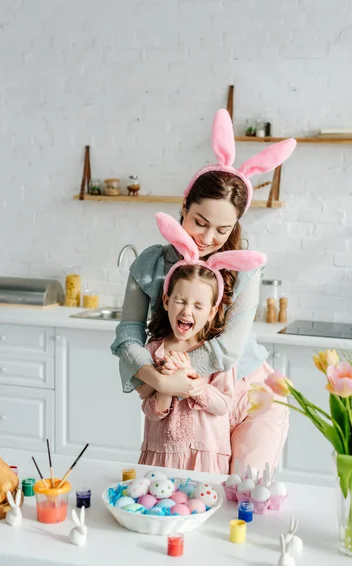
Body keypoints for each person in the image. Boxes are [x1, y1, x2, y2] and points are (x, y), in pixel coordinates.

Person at [111, 109, 296, 473]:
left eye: (222, 230)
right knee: (184, 491)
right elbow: (127, 337)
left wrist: (164, 377)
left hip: (248, 396)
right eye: (200, 222)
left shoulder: (243, 266)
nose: (208, 238)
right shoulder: (150, 264)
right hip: (189, 398)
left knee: (245, 487)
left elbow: (226, 350)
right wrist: (162, 380)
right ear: (184, 207)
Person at [138, 212, 266, 474]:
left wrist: (193, 385)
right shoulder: (154, 350)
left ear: (210, 312)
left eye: (198, 306)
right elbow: (151, 412)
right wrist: (166, 381)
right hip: (160, 459)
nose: (187, 312)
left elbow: (223, 406)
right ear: (166, 302)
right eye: (181, 302)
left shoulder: (215, 356)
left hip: (206, 458)